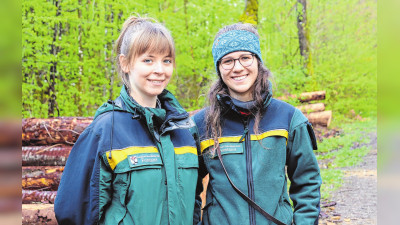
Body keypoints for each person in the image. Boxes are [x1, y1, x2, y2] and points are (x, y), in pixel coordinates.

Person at [55, 16, 199, 225]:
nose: (159, 70)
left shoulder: (184, 129)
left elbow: (193, 202)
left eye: (166, 60)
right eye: (148, 60)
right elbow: (75, 212)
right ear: (126, 63)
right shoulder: (106, 131)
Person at [192, 23, 322, 225]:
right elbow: (189, 189)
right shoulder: (201, 125)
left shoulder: (289, 119)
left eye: (245, 57)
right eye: (227, 61)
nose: (237, 67)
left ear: (258, 61)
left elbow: (307, 183)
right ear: (219, 68)